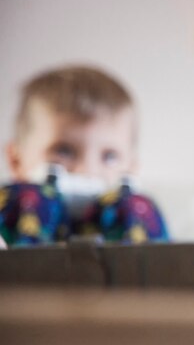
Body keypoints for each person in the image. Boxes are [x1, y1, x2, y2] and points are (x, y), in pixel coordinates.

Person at [1, 65, 168, 245]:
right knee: (30, 196)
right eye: (63, 151)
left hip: (116, 259)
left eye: (110, 156)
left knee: (139, 206)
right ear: (16, 160)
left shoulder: (131, 209)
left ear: (132, 168)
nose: (87, 171)